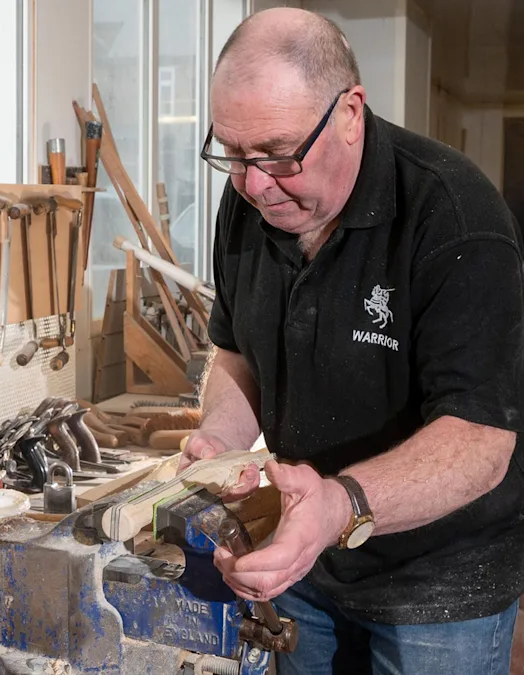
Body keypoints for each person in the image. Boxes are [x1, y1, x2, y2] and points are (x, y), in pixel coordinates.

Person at [184, 7, 524, 674]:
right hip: (307, 554)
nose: (254, 185)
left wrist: (339, 504)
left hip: (439, 582)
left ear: (350, 113)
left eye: (279, 154)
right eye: (233, 154)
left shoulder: (455, 218)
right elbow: (236, 352)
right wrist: (219, 444)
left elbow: (481, 443)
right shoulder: (249, 202)